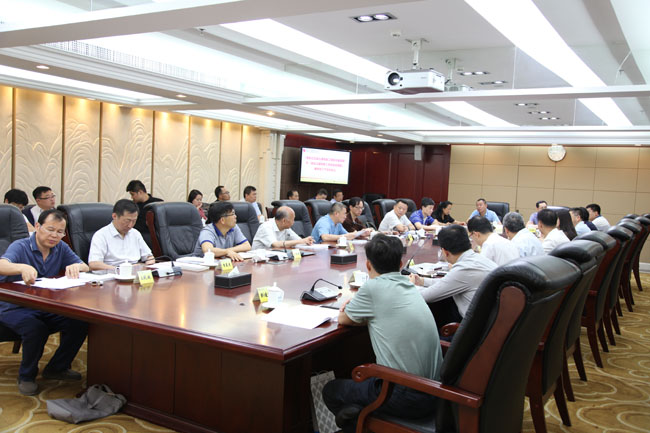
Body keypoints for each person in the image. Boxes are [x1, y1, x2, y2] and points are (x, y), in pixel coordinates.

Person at [322, 234, 442, 433]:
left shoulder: (373, 287)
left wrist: (352, 307)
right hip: (434, 391)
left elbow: (343, 319)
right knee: (359, 394)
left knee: (331, 391)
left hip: (406, 396)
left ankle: (362, 424)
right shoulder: (409, 285)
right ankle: (362, 415)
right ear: (401, 264)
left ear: (368, 265)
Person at [0, 209, 89, 396]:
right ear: (38, 226)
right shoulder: (21, 246)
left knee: (79, 321)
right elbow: (2, 265)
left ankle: (57, 367)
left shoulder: (60, 247)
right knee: (35, 328)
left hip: (46, 306)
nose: (54, 235)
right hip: (14, 307)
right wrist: (21, 267)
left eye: (60, 232)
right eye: (50, 229)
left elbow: (85, 266)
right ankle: (26, 376)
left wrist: (76, 266)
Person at [409, 225, 497, 326]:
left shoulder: (463, 269)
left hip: (474, 329)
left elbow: (424, 297)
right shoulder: (478, 259)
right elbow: (449, 282)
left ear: (445, 252)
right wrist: (423, 281)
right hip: (490, 323)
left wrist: (411, 285)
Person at [88, 199, 155, 270]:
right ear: (114, 216)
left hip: (135, 272)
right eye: (127, 221)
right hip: (112, 273)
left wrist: (147, 264)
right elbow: (94, 264)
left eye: (134, 221)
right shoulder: (101, 235)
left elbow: (149, 257)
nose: (130, 225)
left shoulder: (135, 233)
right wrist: (120, 270)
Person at [125, 180, 162, 246]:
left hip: (152, 236)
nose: (132, 197)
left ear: (140, 192)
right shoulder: (132, 206)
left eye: (132, 194)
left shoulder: (158, 204)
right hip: (136, 235)